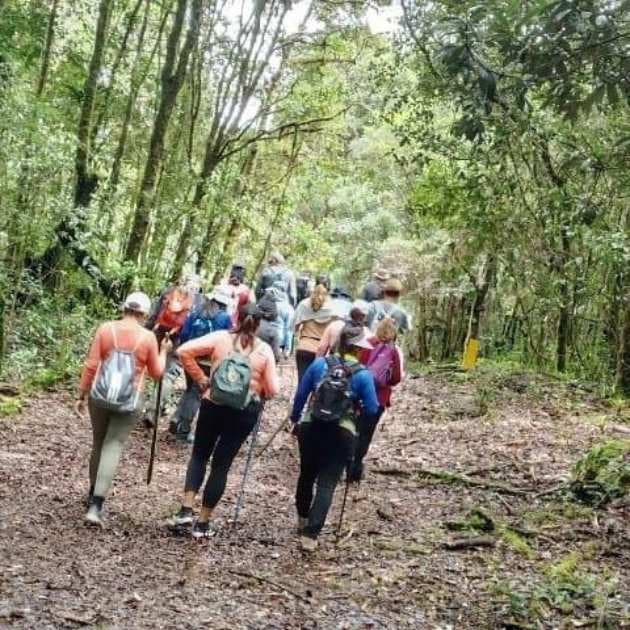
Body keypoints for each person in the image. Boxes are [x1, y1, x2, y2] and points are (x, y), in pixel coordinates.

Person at [170, 304, 279, 538]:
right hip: (244, 412)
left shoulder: (221, 338)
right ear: (258, 325)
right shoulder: (265, 351)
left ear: (237, 318)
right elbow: (273, 389)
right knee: (222, 465)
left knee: (199, 454)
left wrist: (201, 379)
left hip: (213, 404)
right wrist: (258, 389)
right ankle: (202, 523)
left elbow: (184, 351)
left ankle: (185, 510)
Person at [76, 292, 171, 527]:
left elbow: (91, 364)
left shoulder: (106, 329)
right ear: (145, 314)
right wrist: (164, 351)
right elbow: (158, 373)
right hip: (130, 400)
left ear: (124, 308)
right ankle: (96, 506)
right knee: (113, 445)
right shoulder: (148, 337)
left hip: (99, 396)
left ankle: (92, 493)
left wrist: (82, 393)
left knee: (98, 443)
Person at [290, 323, 378, 551]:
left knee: (307, 474)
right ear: (359, 349)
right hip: (342, 432)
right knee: (327, 483)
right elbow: (372, 409)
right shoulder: (362, 374)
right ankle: (311, 536)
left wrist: (295, 418)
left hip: (311, 426)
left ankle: (302, 519)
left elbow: (301, 393)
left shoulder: (320, 364)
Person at [169, 290, 233, 442]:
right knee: (197, 394)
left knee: (190, 389)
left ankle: (176, 419)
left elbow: (184, 333)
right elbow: (226, 339)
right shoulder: (224, 318)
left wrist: (188, 349)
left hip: (189, 356)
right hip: (207, 361)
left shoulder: (197, 312)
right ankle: (183, 429)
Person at [348, 317, 404, 483]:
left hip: (359, 395)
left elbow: (355, 366)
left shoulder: (367, 343)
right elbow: (396, 378)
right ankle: (356, 469)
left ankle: (346, 462)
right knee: (366, 433)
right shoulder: (394, 351)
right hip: (379, 398)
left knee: (353, 429)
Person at [293, 284, 338, 381]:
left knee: (302, 382)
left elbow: (294, 327)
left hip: (303, 347)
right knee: (315, 384)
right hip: (320, 351)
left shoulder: (304, 304)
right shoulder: (332, 309)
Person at [218, 263, 255, 329]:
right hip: (229, 322)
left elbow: (251, 304)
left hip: (229, 322)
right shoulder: (223, 285)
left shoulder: (246, 290)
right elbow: (252, 304)